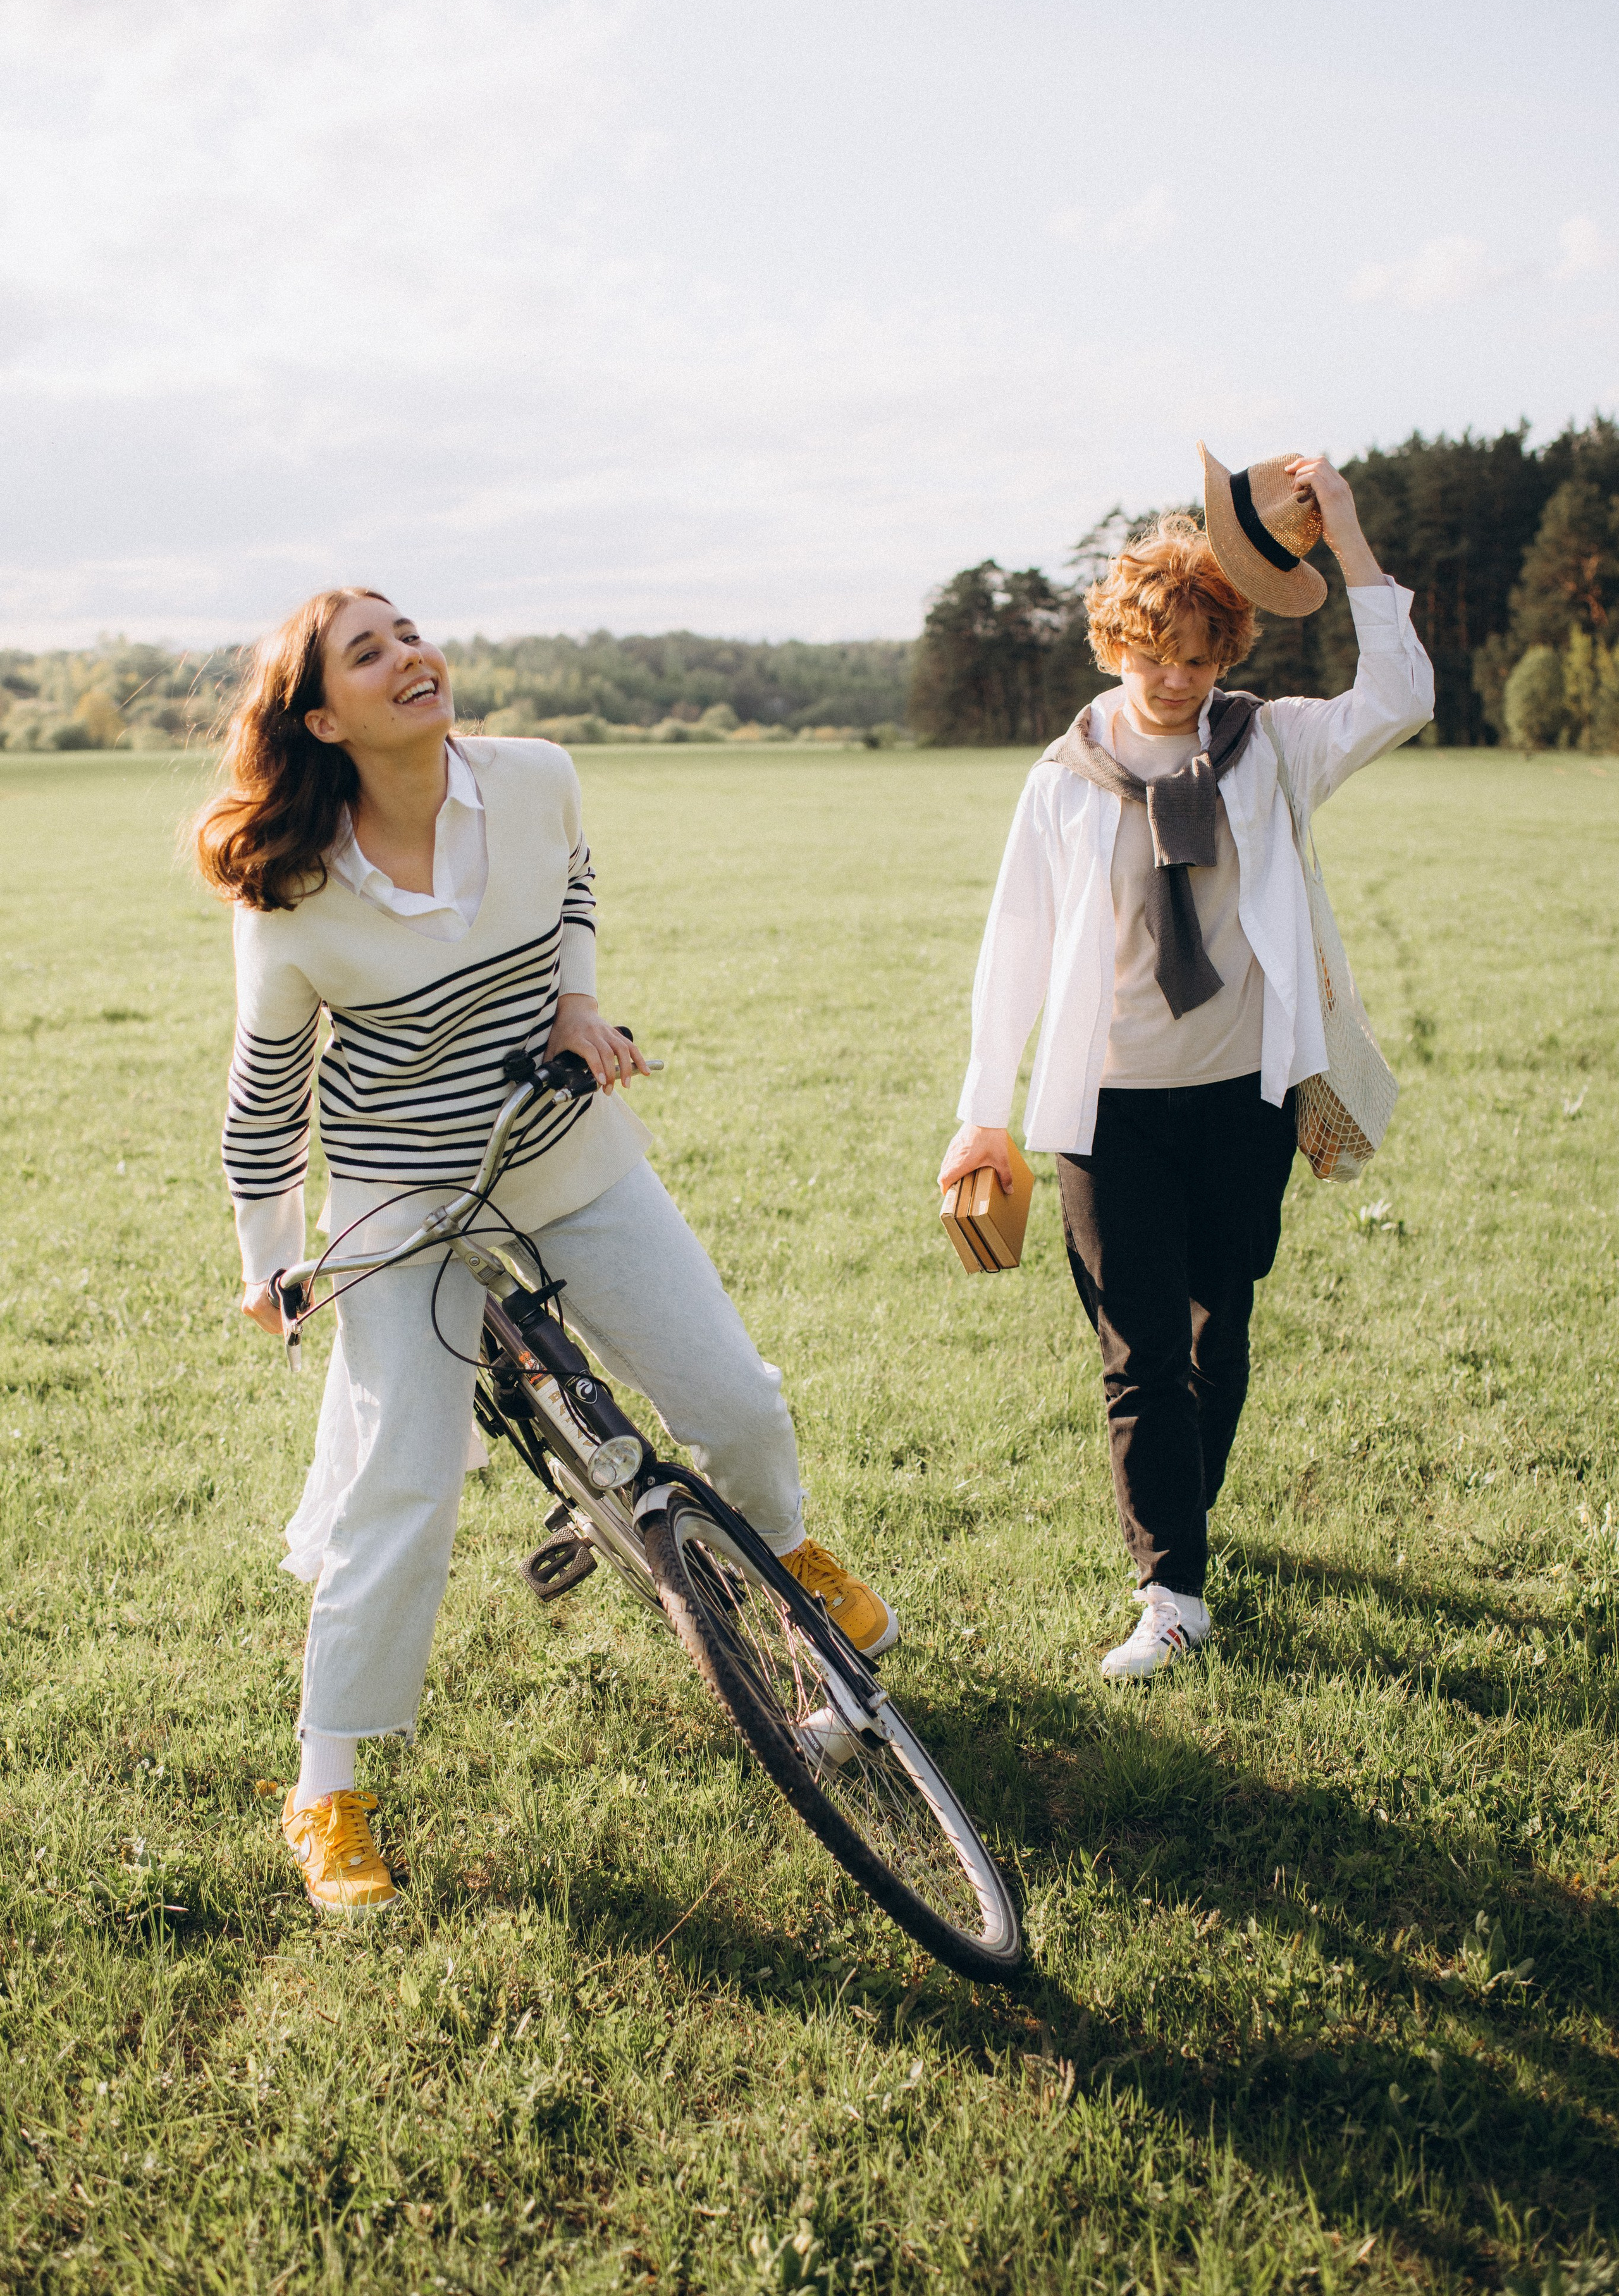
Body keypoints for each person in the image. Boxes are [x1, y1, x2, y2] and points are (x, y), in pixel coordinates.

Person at [197, 587, 897, 1914]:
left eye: (410, 634)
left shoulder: (532, 779)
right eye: (369, 653)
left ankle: (794, 1556)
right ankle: (326, 1787)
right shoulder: (288, 897)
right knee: (398, 1483)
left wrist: (577, 1002)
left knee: (732, 1396)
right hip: (403, 1201)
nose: (411, 658)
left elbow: (571, 878)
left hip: (557, 1148)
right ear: (318, 715)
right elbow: (264, 1098)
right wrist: (266, 1261)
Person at [938, 453, 1434, 1679]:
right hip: (1104, 1112)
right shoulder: (1060, 781)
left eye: (1200, 660)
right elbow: (1013, 952)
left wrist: (1349, 540)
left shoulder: (1271, 748)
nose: (1172, 680)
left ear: (1228, 655)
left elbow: (1401, 692)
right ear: (1113, 637)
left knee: (1223, 1327)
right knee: (1140, 1350)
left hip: (1241, 1100)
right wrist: (979, 1115)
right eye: (1152, 653)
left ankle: (1182, 1523)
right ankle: (1171, 1588)